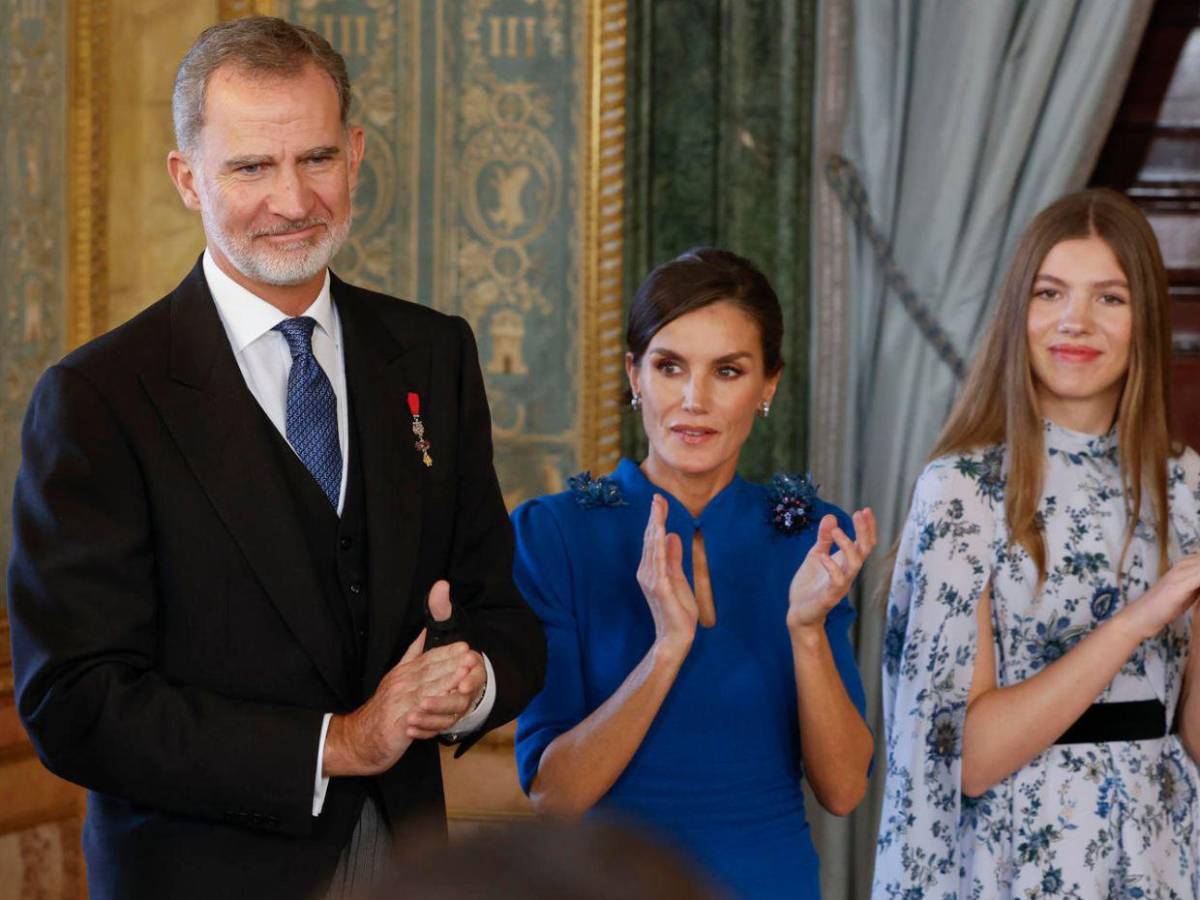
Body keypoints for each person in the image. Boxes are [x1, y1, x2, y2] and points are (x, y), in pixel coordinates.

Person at [6, 16, 545, 900]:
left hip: (410, 869)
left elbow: (502, 614)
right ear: (188, 178)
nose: (293, 201)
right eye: (252, 167)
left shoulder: (432, 354)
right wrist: (340, 742)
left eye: (317, 158)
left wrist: (470, 680)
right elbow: (75, 702)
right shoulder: (98, 399)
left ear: (355, 154)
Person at [511, 247, 876, 899]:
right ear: (634, 375)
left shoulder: (811, 537)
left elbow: (845, 791)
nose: (693, 400)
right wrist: (666, 650)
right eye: (669, 366)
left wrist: (807, 631)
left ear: (768, 385)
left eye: (727, 371)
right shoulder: (554, 534)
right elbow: (553, 797)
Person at [873, 188, 1200, 897]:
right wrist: (1139, 620)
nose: (1075, 321)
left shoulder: (1186, 482)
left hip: (1160, 861)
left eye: (1109, 297)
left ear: (1144, 319)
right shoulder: (962, 490)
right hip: (1014, 862)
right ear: (1018, 311)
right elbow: (967, 759)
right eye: (1050, 293)